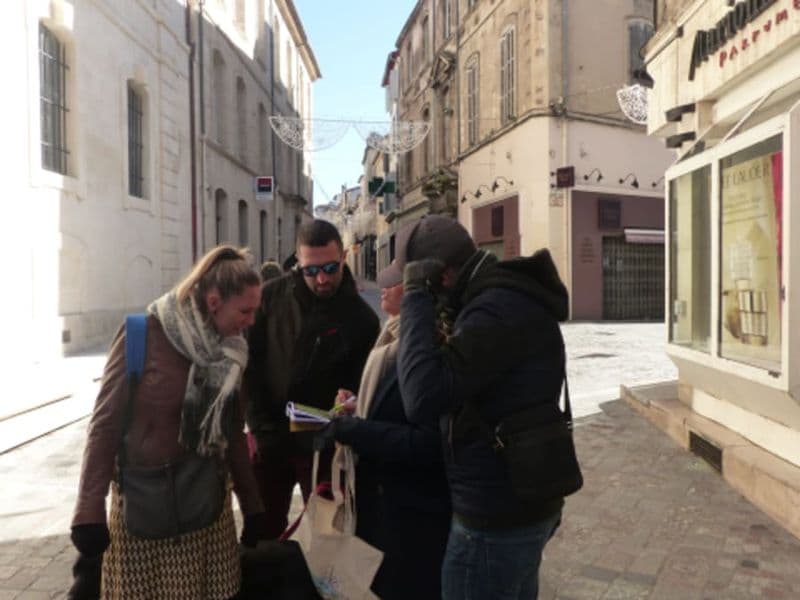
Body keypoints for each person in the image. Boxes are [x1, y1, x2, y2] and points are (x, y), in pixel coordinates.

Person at [69, 245, 269, 600]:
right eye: (246, 310)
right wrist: (89, 510)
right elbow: (104, 426)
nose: (251, 321)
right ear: (212, 302)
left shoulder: (232, 352)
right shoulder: (142, 334)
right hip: (142, 513)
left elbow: (233, 433)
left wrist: (252, 507)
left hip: (207, 512)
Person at [395, 215, 570, 599]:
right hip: (521, 501)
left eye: (423, 282)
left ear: (441, 277)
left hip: (495, 519)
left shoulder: (493, 312)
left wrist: (414, 296)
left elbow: (420, 396)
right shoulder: (505, 299)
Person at [316, 260, 451, 600]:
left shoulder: (427, 344)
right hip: (383, 505)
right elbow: (389, 406)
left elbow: (426, 441)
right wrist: (358, 403)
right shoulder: (391, 333)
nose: (386, 286)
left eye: (396, 280)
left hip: (410, 515)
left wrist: (355, 429)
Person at [244, 219, 379, 538]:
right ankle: (264, 588)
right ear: (298, 264)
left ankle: (317, 590)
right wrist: (260, 428)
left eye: (331, 268)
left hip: (323, 447)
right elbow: (249, 366)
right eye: (311, 270)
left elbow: (365, 389)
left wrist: (349, 403)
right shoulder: (269, 298)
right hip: (269, 438)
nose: (321, 279)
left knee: (328, 540)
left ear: (344, 257)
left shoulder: (362, 319)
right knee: (259, 534)